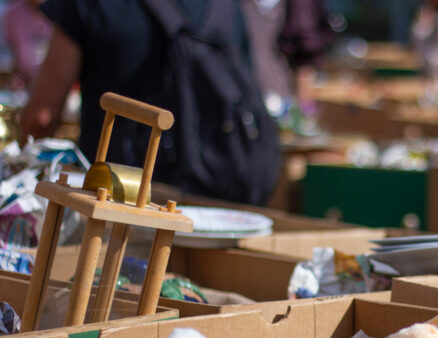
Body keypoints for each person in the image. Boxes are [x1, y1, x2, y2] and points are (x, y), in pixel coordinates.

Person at [19, 0, 279, 205]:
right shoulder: (228, 6)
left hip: (119, 204)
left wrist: (19, 176)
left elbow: (41, 118)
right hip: (213, 205)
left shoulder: (89, 3)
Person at [2, 0, 51, 90]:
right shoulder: (12, 13)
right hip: (25, 89)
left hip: (56, 88)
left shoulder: (62, 11)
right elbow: (14, 58)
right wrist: (17, 78)